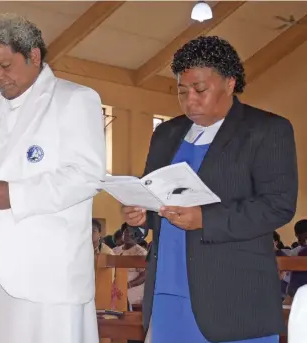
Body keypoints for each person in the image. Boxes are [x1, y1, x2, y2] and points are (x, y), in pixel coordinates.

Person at [121, 36, 297, 343]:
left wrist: (206, 219)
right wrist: (141, 215)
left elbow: (278, 204)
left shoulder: (266, 130)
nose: (190, 100)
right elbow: (156, 198)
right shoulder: (166, 133)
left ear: (229, 83)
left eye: (200, 89)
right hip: (167, 293)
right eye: (182, 91)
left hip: (233, 300)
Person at [0, 13, 105, 343]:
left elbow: (86, 176)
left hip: (51, 273)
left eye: (6, 66)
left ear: (34, 56)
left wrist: (15, 195)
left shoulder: (75, 99)